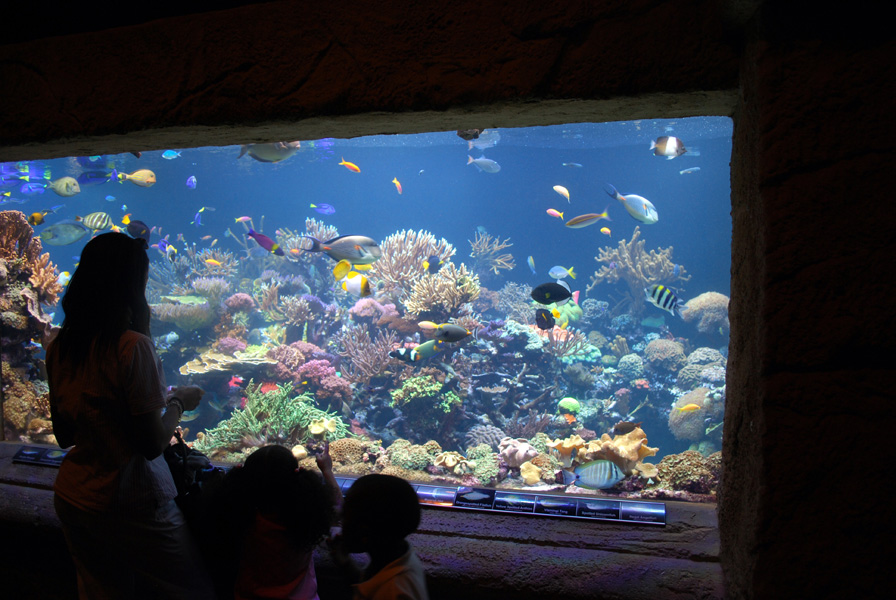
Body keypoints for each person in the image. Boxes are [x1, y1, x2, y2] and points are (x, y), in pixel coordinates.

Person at [46, 232, 215, 600]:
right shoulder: (132, 346)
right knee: (191, 590)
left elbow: (64, 436)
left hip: (75, 497)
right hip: (132, 502)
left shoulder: (60, 345)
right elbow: (152, 444)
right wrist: (178, 403)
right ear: (132, 283)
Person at [201, 443, 340, 600]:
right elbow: (336, 508)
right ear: (296, 476)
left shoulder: (240, 518)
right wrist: (327, 471)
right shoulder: (305, 517)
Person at [328, 474, 430, 600]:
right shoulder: (398, 559)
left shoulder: (393, 591)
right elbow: (369, 586)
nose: (341, 524)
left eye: (345, 517)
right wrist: (346, 564)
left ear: (364, 532)